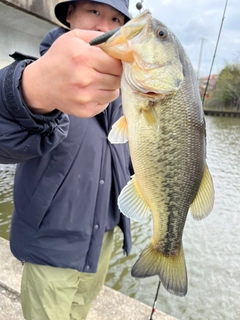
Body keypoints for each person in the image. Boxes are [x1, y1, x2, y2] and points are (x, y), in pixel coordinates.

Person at [0, 1, 132, 319]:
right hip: (51, 246)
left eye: (115, 18)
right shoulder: (41, 73)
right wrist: (32, 91)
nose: (104, 26)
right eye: (95, 12)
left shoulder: (127, 100)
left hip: (103, 241)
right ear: (70, 15)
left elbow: (130, 167)